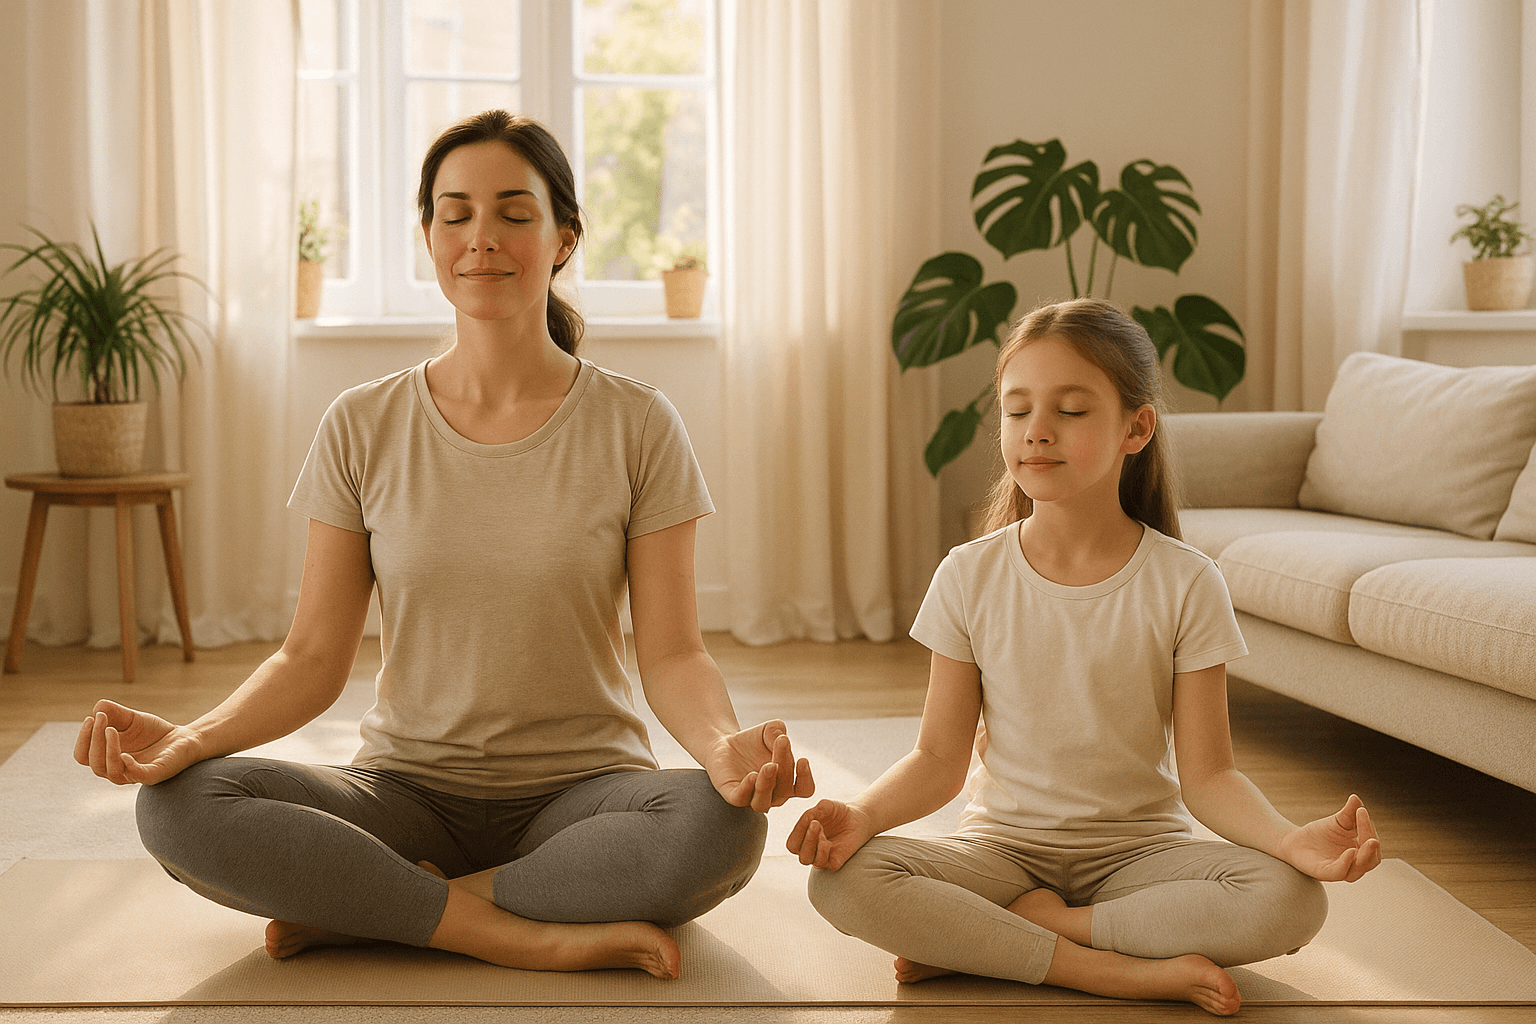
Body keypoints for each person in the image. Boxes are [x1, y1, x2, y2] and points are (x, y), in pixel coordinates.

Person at [74, 109, 813, 980]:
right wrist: (191, 739)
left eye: (513, 211)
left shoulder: (638, 424)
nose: (481, 239)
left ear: (565, 236)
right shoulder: (362, 423)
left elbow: (676, 654)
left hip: (583, 791)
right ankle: (519, 929)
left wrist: (723, 747)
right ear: (427, 235)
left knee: (722, 826)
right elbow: (311, 656)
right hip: (403, 789)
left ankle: (377, 906)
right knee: (178, 806)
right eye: (455, 213)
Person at [786, 298, 1381, 1016]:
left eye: (1071, 411)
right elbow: (940, 761)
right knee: (843, 878)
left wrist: (1291, 842)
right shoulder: (968, 575)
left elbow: (1211, 775)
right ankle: (1104, 969)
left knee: (1291, 899)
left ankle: (1018, 941)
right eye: (1017, 410)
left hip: (1140, 859)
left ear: (1136, 428)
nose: (1036, 432)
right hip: (1002, 853)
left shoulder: (1187, 581)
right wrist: (861, 813)